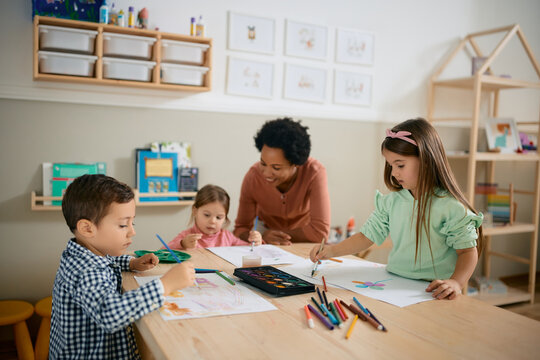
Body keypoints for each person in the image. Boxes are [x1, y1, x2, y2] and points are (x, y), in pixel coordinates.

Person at [310, 118, 483, 300]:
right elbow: (365, 237)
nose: (393, 173)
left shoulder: (451, 208)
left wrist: (456, 282)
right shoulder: (391, 202)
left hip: (433, 292)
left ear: (426, 161)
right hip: (394, 285)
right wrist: (331, 251)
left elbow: (467, 252)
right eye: (391, 165)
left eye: (400, 165)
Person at [50, 174, 195, 359]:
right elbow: (109, 313)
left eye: (131, 223)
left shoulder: (84, 255)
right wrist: (165, 285)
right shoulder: (86, 272)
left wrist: (132, 262)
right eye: (122, 225)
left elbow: (105, 262)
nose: (132, 232)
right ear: (87, 228)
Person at [234, 118, 331, 244]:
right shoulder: (253, 177)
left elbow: (320, 233)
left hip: (303, 237)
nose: (266, 173)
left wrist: (275, 236)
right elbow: (240, 229)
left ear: (296, 164)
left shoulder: (314, 173)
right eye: (263, 163)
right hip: (265, 235)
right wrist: (262, 236)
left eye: (276, 167)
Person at [168, 184, 262, 249]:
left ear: (225, 217)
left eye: (219, 217)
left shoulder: (227, 236)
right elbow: (163, 251)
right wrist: (182, 243)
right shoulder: (186, 236)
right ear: (195, 211)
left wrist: (256, 242)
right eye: (207, 215)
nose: (212, 221)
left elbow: (248, 249)